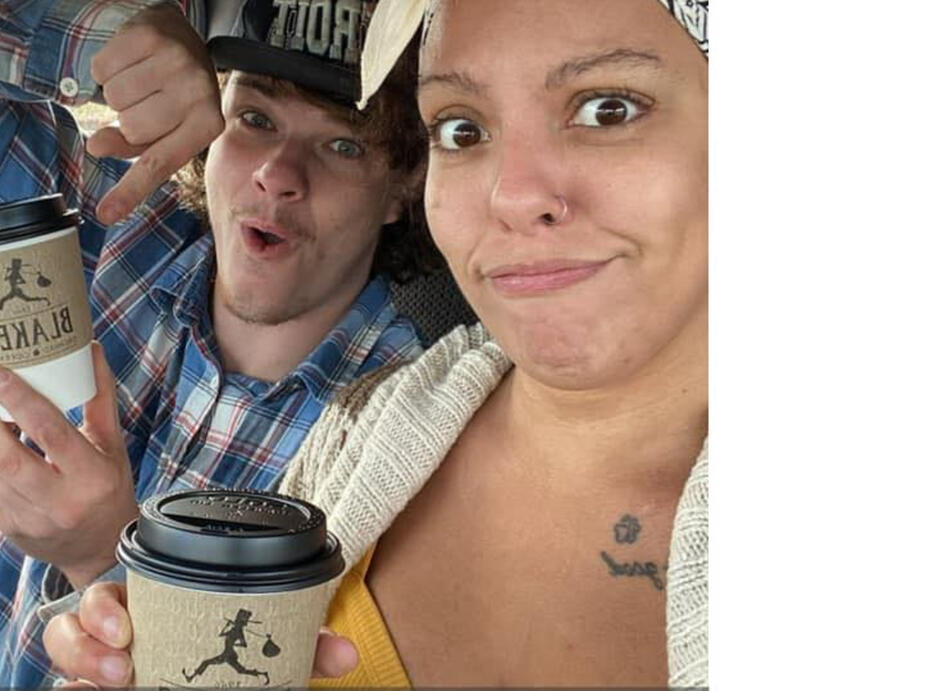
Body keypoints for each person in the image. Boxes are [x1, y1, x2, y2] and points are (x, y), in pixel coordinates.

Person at [42, 0, 709, 687]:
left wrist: (98, 553)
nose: (511, 195)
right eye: (462, 129)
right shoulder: (369, 428)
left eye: (607, 110)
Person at [0, 0, 438, 686]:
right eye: (255, 119)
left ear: (404, 186)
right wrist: (104, 45)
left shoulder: (403, 436)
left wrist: (101, 558)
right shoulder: (111, 236)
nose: (278, 174)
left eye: (344, 144)